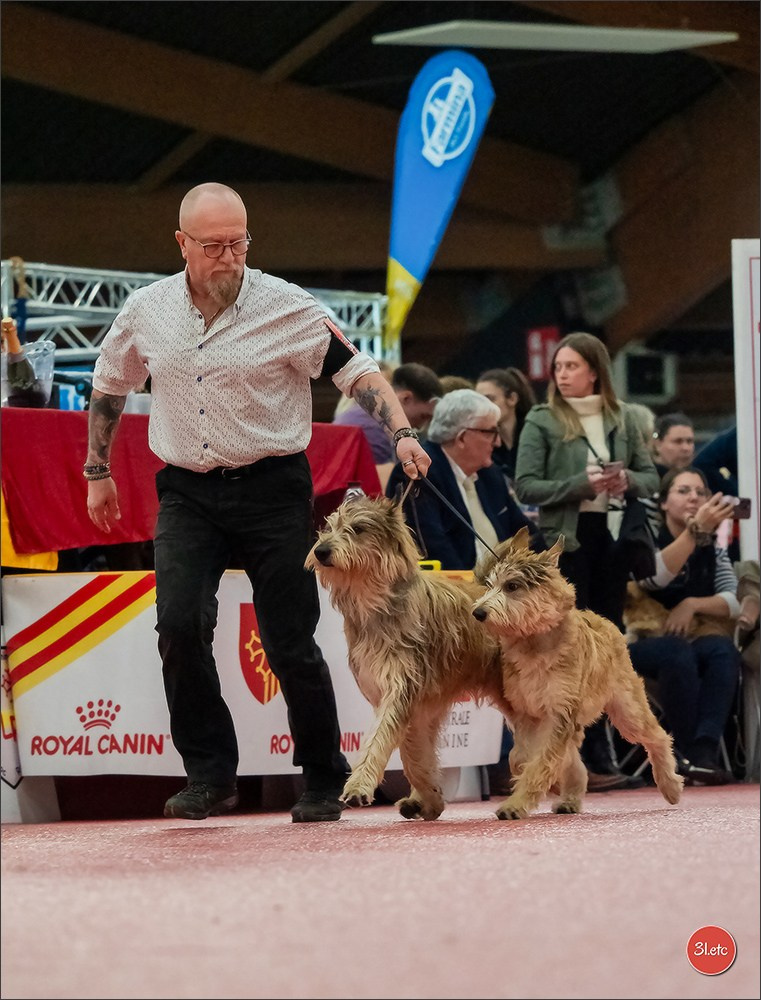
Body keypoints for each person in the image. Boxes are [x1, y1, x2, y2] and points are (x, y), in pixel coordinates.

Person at [83, 182, 430, 824]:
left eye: (238, 243)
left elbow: (357, 371)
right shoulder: (147, 309)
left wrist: (403, 432)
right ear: (181, 243)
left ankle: (324, 778)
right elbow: (109, 385)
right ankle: (210, 775)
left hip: (274, 489)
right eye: (213, 246)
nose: (228, 258)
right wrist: (96, 468)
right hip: (188, 490)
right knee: (180, 623)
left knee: (289, 638)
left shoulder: (288, 307)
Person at [514, 331, 660, 790]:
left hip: (614, 540)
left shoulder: (624, 417)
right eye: (558, 367)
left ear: (595, 370)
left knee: (609, 644)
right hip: (567, 543)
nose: (563, 374)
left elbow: (652, 477)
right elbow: (526, 486)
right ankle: (579, 758)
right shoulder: (542, 418)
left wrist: (626, 481)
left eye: (572, 366)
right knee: (571, 647)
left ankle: (603, 753)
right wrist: (581, 484)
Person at [627, 467, 741, 784]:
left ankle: (704, 751)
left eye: (700, 492)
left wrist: (692, 604)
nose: (693, 497)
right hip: (638, 640)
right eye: (683, 491)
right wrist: (694, 532)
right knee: (676, 652)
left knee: (721, 649)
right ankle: (684, 753)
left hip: (688, 637)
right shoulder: (645, 537)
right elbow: (653, 578)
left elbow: (734, 602)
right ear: (663, 503)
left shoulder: (712, 547)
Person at [386, 388, 544, 571]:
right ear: (461, 437)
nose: (498, 442)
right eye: (490, 432)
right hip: (452, 594)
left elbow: (526, 534)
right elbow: (432, 550)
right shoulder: (419, 473)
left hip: (501, 589)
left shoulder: (490, 474)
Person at [334, 360, 441, 463]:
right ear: (406, 398)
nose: (420, 426)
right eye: (423, 416)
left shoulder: (361, 414)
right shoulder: (376, 426)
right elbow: (382, 481)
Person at [475, 367, 537, 485]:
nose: (482, 407)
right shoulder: (480, 441)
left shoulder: (535, 433)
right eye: (479, 401)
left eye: (490, 399)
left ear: (512, 399)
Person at [652, 412, 695, 478]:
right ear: (658, 444)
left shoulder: (698, 479)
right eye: (678, 441)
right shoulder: (647, 481)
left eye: (689, 441)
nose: (686, 448)